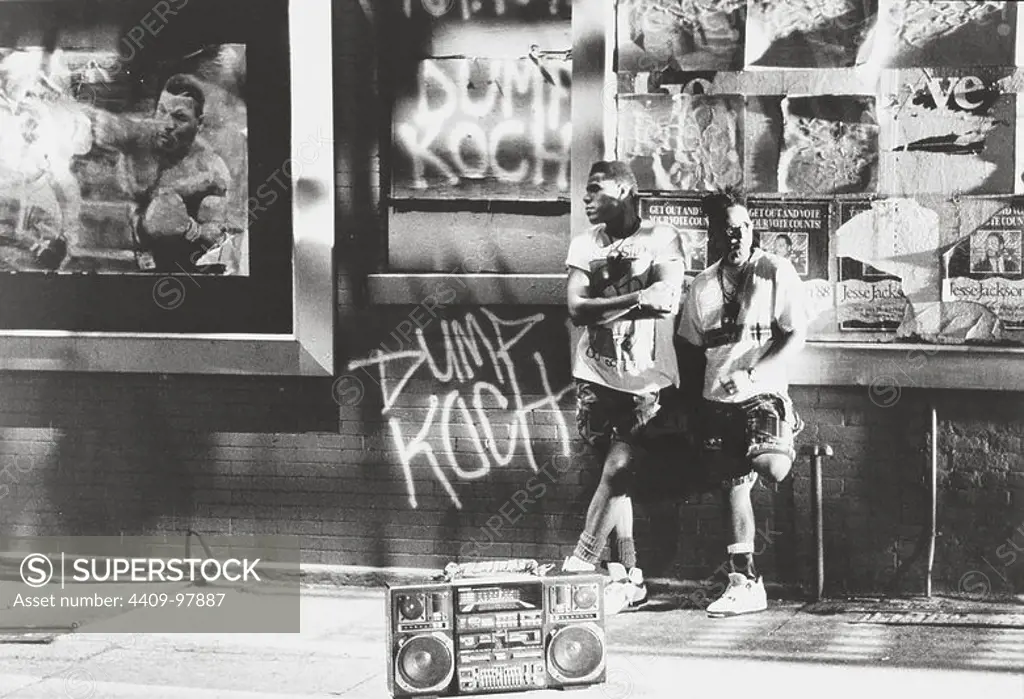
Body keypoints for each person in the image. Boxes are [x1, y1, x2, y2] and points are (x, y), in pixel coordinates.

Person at [676, 186, 807, 617]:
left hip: (762, 393)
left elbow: (795, 336)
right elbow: (691, 352)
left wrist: (753, 373)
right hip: (718, 402)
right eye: (729, 231)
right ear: (713, 234)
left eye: (745, 228)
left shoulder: (775, 270)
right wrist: (693, 409)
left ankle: (782, 430)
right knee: (732, 487)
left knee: (772, 467)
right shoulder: (701, 286)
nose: (739, 237)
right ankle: (744, 582)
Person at [563, 160, 686, 612]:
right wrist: (636, 297)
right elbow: (576, 309)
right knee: (617, 481)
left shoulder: (661, 238)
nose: (586, 198)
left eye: (595, 189)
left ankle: (581, 563)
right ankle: (627, 574)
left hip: (646, 381)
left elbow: (667, 300)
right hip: (596, 376)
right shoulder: (584, 243)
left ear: (626, 190)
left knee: (618, 472)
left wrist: (602, 305)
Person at [91, 73, 235, 273]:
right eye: (162, 111)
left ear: (199, 123)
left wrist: (191, 229)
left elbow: (219, 239)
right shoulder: (138, 139)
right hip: (133, 253)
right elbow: (102, 124)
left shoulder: (210, 169)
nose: (166, 125)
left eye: (180, 117)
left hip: (184, 266)